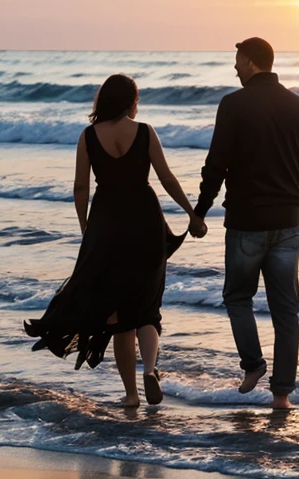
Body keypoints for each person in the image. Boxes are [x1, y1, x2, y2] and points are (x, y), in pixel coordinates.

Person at [24, 74, 205, 407]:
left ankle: (132, 395)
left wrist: (86, 230)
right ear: (129, 102)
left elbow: (80, 188)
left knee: (120, 318)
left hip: (108, 225)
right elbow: (165, 177)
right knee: (147, 309)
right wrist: (192, 214)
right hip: (146, 224)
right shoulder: (145, 131)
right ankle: (150, 370)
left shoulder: (89, 136)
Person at [189, 38, 299, 410]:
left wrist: (200, 210)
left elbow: (217, 165)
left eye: (237, 61)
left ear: (249, 62)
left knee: (237, 297)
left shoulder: (233, 105)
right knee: (285, 311)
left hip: (246, 221)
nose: (234, 68)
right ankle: (282, 396)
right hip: (286, 221)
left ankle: (254, 364)